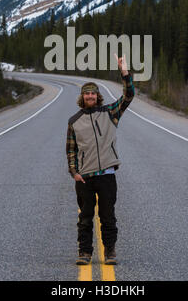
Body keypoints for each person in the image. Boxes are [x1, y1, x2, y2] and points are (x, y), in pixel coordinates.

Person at [66, 54, 135, 265]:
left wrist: (124, 73)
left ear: (98, 96)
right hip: (85, 178)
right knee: (85, 219)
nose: (90, 96)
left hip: (106, 175)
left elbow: (128, 96)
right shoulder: (74, 121)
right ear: (82, 97)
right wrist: (74, 172)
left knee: (108, 217)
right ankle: (85, 253)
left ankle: (110, 252)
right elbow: (71, 150)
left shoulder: (110, 113)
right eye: (86, 93)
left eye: (93, 93)